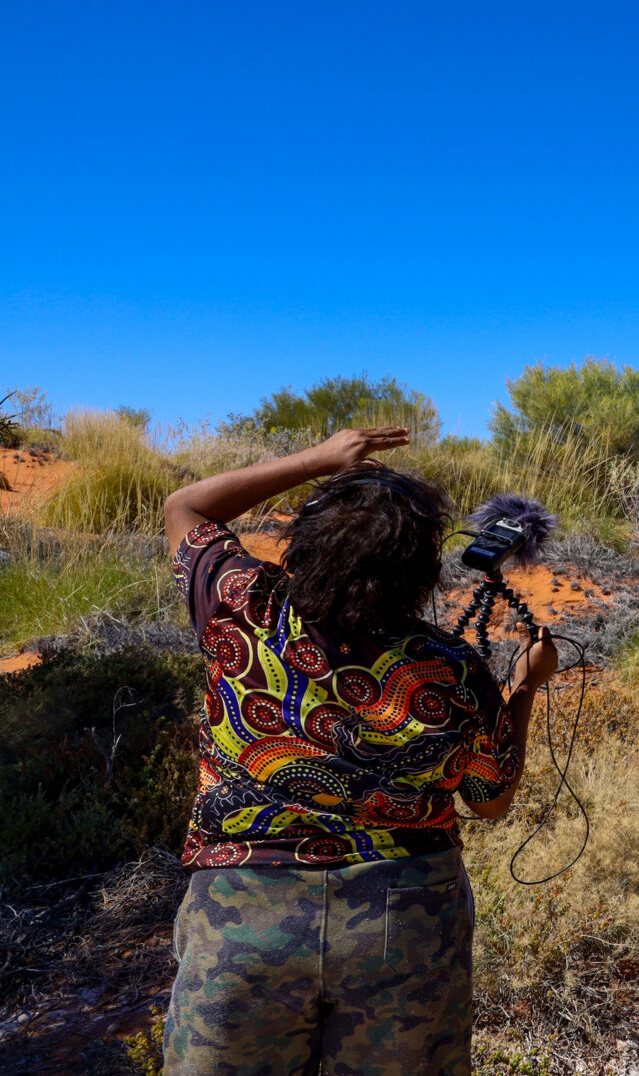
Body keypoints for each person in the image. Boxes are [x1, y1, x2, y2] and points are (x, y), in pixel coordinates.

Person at [158, 427, 557, 1076]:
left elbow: (186, 506)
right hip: (406, 915)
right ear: (422, 572)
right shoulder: (453, 670)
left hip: (245, 911)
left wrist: (318, 456)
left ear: (303, 544)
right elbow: (492, 799)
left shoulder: (243, 606)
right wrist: (522, 687)